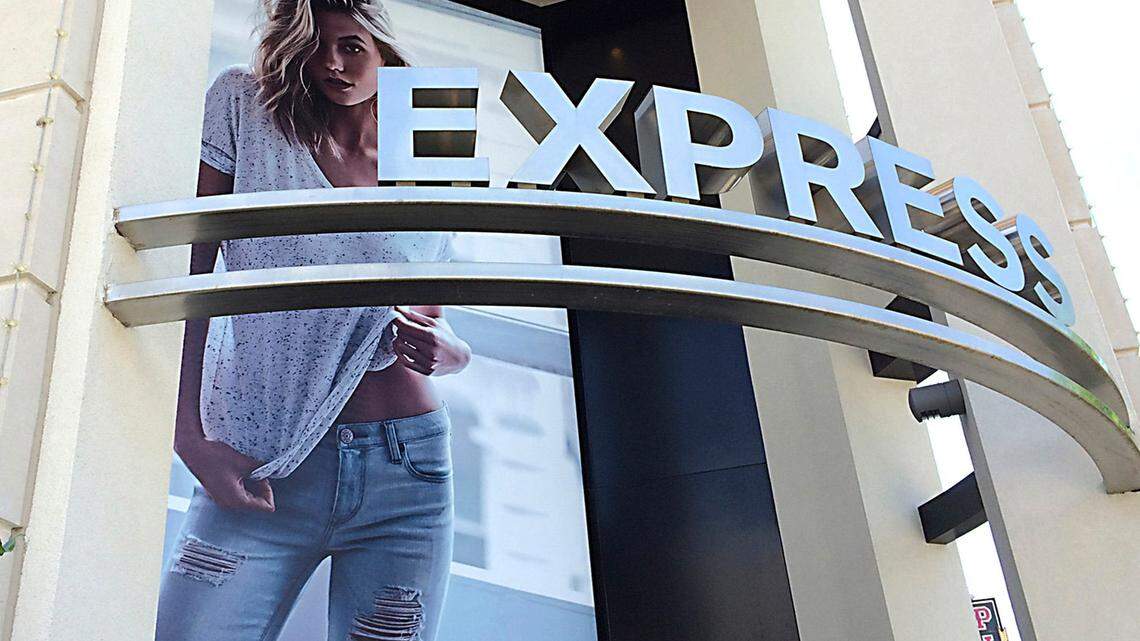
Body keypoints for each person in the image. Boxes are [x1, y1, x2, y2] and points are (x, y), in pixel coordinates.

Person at [155, 2, 472, 640]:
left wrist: (452, 353)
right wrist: (187, 433)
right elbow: (187, 275)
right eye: (316, 46)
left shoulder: (431, 136)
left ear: (384, 48)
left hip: (406, 472)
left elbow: (432, 307)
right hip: (260, 460)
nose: (332, 63)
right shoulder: (244, 107)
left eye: (351, 45)